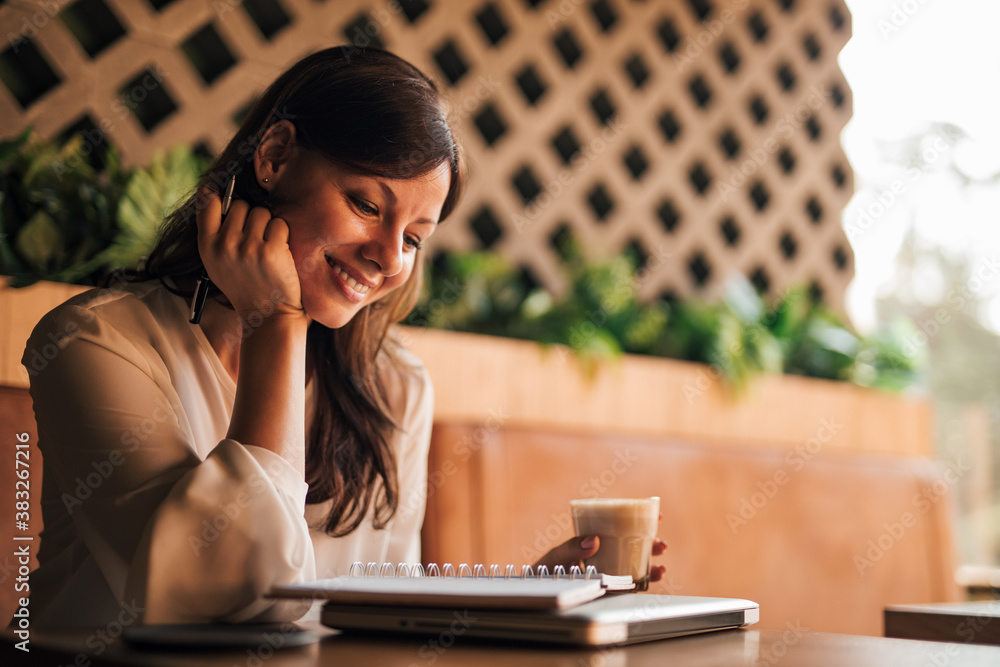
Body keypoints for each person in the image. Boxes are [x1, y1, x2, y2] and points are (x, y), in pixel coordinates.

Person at [21, 45, 662, 629]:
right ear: (274, 157)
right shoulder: (96, 344)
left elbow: (374, 619)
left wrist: (534, 599)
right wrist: (275, 322)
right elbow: (233, 597)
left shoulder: (394, 386)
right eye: (366, 205)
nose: (387, 257)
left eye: (413, 238)